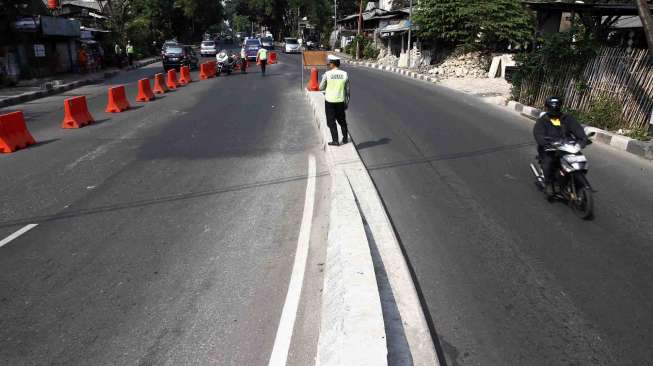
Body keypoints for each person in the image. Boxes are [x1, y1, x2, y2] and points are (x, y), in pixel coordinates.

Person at [533, 96, 588, 197]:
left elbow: (578, 130)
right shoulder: (543, 120)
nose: (554, 110)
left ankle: (574, 181)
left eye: (556, 108)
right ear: (548, 108)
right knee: (548, 162)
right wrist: (545, 143)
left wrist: (582, 140)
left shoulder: (567, 118)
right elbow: (538, 134)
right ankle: (549, 182)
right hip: (549, 148)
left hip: (566, 146)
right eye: (552, 108)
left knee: (579, 160)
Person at [319, 54, 350, 146]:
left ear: (332, 64)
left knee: (331, 122)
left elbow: (321, 87)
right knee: (342, 121)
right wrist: (346, 103)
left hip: (330, 101)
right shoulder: (345, 74)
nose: (328, 65)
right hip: (340, 101)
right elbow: (347, 91)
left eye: (329, 63)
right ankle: (345, 139)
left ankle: (335, 141)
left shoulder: (327, 74)